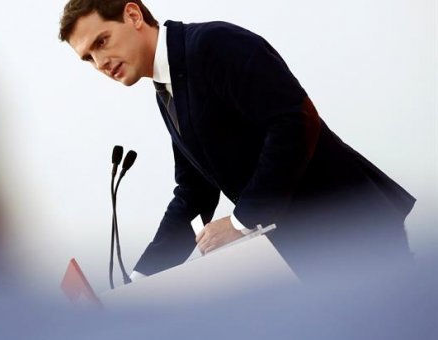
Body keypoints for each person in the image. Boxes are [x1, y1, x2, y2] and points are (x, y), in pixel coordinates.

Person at [58, 0, 416, 281]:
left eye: (101, 42)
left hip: (351, 225)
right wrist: (142, 278)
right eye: (88, 57)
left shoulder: (213, 45)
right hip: (314, 246)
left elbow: (294, 121)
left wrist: (242, 221)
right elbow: (194, 192)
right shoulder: (166, 87)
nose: (100, 62)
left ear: (133, 15)